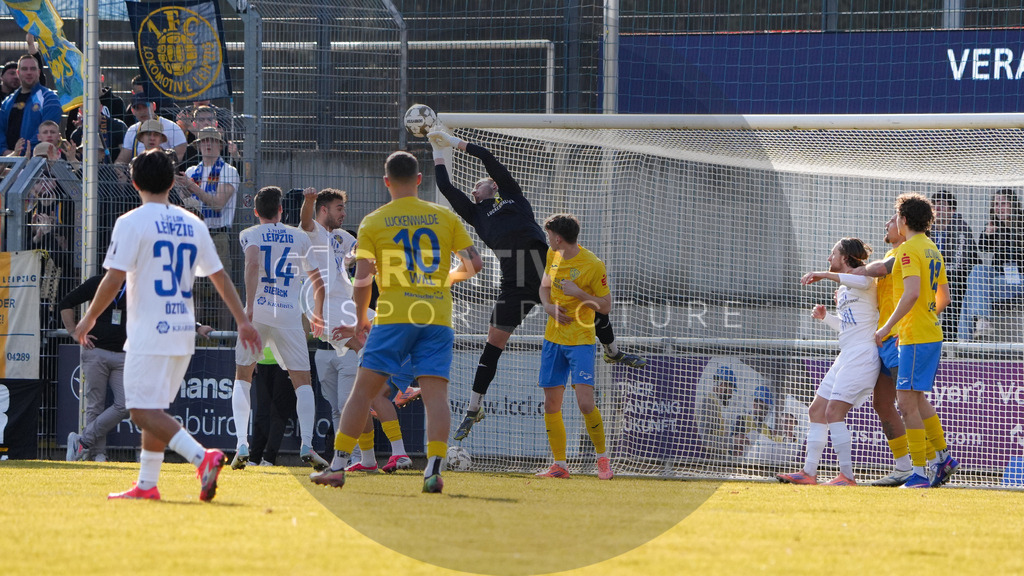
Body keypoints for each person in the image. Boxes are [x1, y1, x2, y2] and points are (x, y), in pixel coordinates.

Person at [428, 129, 646, 442]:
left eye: (484, 180)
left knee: (586, 304)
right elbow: (446, 186)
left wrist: (454, 143)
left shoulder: (513, 197)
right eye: (476, 184)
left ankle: (612, 350)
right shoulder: (474, 212)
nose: (481, 181)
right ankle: (474, 408)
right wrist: (437, 151)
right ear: (476, 195)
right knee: (493, 345)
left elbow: (489, 159)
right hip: (513, 283)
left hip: (546, 270)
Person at [75, 148, 261, 500]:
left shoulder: (131, 222)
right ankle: (147, 484)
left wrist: (88, 318)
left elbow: (113, 280)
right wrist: (242, 321)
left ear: (133, 182)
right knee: (152, 408)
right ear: (173, 180)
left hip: (149, 330)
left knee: (140, 410)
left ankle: (202, 458)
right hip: (181, 330)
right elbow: (220, 276)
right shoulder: (192, 222)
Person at [310, 150, 482, 493]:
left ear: (386, 182)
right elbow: (474, 263)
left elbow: (362, 280)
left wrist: (360, 320)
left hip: (394, 316)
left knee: (362, 392)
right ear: (419, 180)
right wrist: (444, 280)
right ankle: (433, 468)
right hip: (436, 315)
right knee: (436, 396)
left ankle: (339, 466)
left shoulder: (374, 221)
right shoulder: (444, 217)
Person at [229, 185, 328, 471]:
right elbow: (316, 278)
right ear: (282, 210)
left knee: (243, 378)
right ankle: (307, 444)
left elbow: (251, 263)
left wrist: (247, 306)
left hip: (258, 311)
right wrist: (317, 313)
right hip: (288, 314)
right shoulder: (298, 236)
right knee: (303, 383)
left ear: (256, 211)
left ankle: (241, 444)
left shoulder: (250, 233)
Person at [776, 238, 879, 486]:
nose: (828, 259)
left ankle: (848, 476)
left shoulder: (864, 278)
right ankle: (809, 473)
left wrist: (822, 274)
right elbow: (847, 326)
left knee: (834, 411)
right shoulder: (843, 289)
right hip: (846, 354)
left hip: (863, 354)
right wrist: (826, 318)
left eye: (832, 253)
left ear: (844, 257)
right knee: (816, 411)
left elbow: (861, 280)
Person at [872, 193, 958, 489]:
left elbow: (910, 294)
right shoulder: (933, 248)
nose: (894, 221)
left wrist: (886, 328)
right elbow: (944, 297)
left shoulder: (907, 251)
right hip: (930, 333)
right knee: (917, 400)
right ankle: (943, 458)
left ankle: (920, 473)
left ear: (904, 220)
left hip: (913, 336)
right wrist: (926, 312)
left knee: (906, 403)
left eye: (896, 216)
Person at [533, 213, 614, 480]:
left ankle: (603, 459)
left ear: (558, 238)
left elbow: (605, 306)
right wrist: (547, 306)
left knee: (585, 403)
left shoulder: (593, 264)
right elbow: (544, 287)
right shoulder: (552, 255)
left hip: (580, 339)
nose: (548, 239)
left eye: (549, 235)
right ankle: (560, 465)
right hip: (553, 338)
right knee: (551, 405)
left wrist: (579, 293)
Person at [61, 274, 129, 462]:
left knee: (124, 404)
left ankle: (82, 441)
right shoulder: (98, 282)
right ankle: (97, 454)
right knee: (95, 405)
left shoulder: (136, 285)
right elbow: (66, 303)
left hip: (124, 355)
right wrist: (74, 332)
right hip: (95, 351)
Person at [176, 127, 240, 328]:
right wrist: (178, 187)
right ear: (198, 145)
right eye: (204, 141)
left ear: (220, 145)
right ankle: (195, 333)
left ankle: (223, 338)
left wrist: (191, 187)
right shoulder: (191, 171)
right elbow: (185, 203)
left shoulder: (229, 171)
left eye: (213, 141)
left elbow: (218, 203)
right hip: (193, 234)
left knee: (221, 288)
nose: (208, 144)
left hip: (217, 234)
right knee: (193, 288)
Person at [958, 188, 1024, 341]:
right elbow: (983, 247)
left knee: (972, 292)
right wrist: (988, 234)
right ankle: (982, 321)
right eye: (996, 204)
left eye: (1003, 203)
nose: (999, 207)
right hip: (1000, 281)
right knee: (978, 272)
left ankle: (964, 342)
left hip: (1020, 280)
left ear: (1013, 205)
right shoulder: (994, 226)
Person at [930, 190, 978, 340]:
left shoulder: (960, 228)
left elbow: (959, 263)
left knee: (952, 289)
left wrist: (934, 274)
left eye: (942, 205)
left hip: (960, 278)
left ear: (952, 210)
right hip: (935, 277)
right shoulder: (927, 231)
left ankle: (949, 339)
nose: (938, 209)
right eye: (935, 205)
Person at [0, 54, 61, 156]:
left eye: (33, 69)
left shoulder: (49, 99)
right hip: (7, 162)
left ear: (39, 72)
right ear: (18, 73)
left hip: (37, 162)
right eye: (24, 69)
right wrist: (4, 152)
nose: (29, 72)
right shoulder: (7, 102)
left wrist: (22, 153)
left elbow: (48, 133)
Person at [248, 346, 297, 467]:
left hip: (285, 362)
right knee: (262, 412)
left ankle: (269, 459)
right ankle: (254, 459)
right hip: (262, 360)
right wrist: (253, 358)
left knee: (279, 412)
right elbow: (253, 327)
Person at [115, 95, 187, 164]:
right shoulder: (132, 130)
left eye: (145, 106)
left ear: (154, 106)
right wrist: (121, 173)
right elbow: (122, 160)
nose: (142, 111)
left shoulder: (172, 127)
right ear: (132, 111)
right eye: (138, 108)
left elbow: (179, 159)